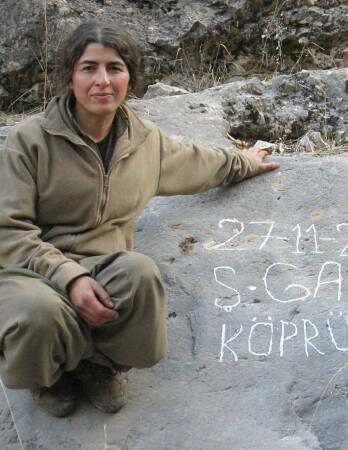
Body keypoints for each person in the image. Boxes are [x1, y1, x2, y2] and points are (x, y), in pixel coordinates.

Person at [0, 21, 278, 417]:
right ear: (70, 77)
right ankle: (49, 376)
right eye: (89, 68)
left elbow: (198, 163)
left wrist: (244, 162)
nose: (102, 80)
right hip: (30, 272)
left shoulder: (144, 141)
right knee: (37, 312)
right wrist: (70, 278)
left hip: (103, 265)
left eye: (114, 68)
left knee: (141, 274)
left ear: (130, 78)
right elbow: (9, 232)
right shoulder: (29, 141)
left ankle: (100, 364)